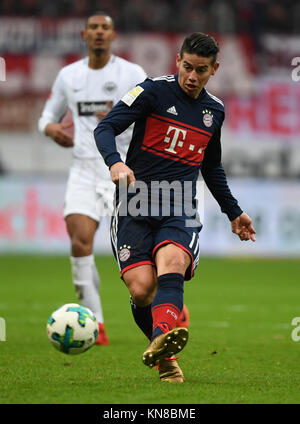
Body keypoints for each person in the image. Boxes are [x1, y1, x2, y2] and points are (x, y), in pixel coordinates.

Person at [94, 31, 256, 381]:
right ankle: (165, 350)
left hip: (178, 206)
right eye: (187, 67)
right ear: (177, 61)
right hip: (134, 206)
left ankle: (160, 342)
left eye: (201, 70)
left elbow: (211, 167)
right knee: (141, 290)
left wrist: (234, 212)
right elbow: (106, 127)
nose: (192, 76)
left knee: (171, 263)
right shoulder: (151, 91)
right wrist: (114, 162)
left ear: (215, 69)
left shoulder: (214, 111)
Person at [38, 12, 148, 345]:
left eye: (105, 28)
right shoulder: (68, 76)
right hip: (84, 170)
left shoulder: (132, 73)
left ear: (113, 36)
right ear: (84, 35)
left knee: (137, 252)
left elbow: (150, 117)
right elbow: (46, 116)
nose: (99, 33)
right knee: (79, 241)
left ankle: (163, 304)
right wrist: (50, 128)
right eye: (94, 28)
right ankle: (95, 323)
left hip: (123, 170)